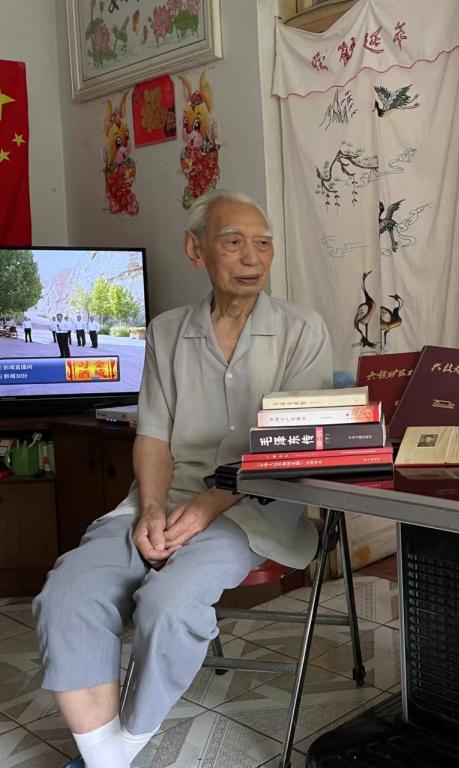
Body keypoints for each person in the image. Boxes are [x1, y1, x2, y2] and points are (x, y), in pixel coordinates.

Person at [33, 190, 334, 768]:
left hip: (255, 506)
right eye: (233, 241)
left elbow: (293, 441)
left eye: (263, 243)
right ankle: (107, 759)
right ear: (196, 250)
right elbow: (153, 435)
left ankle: (117, 750)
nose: (252, 257)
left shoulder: (302, 330)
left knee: (168, 605)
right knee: (68, 594)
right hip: (162, 499)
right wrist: (151, 508)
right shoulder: (167, 332)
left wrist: (206, 507)